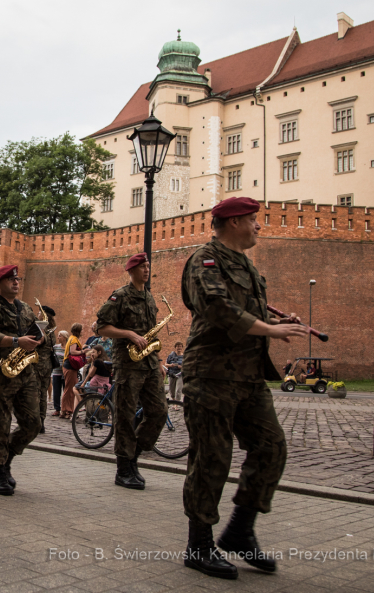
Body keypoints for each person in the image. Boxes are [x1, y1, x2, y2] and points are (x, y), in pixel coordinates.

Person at [179, 196, 308, 579]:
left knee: (271, 447)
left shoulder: (247, 266)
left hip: (249, 377)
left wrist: (276, 323)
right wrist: (269, 329)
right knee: (211, 458)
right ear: (234, 222)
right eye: (253, 219)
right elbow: (216, 307)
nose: (258, 225)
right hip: (211, 375)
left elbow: (248, 312)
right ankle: (199, 546)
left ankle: (239, 531)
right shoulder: (205, 260)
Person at [96, 253, 168, 492]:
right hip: (127, 364)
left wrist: (159, 361)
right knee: (125, 416)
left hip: (150, 363)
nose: (146, 270)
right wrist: (128, 334)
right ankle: (123, 469)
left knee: (159, 411)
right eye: (142, 266)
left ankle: (133, 454)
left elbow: (151, 332)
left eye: (148, 266)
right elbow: (101, 327)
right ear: (131, 270)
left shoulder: (149, 297)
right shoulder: (119, 296)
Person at [0, 264, 42, 496]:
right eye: (10, 280)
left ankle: (7, 458)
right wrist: (16, 341)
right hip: (0, 372)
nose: (16, 282)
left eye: (17, 279)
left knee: (33, 423)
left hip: (24, 371)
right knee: (0, 424)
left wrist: (40, 338)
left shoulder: (25, 308)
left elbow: (36, 332)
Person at [33, 305, 56, 434]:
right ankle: (41, 421)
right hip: (48, 366)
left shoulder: (42, 330)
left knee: (36, 393)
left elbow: (38, 342)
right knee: (43, 394)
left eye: (39, 313)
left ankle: (36, 422)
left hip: (38, 365)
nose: (38, 315)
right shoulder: (52, 331)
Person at [60, 323, 85, 418]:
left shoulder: (71, 338)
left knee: (71, 388)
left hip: (69, 366)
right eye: (81, 330)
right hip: (70, 366)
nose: (83, 331)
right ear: (78, 330)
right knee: (69, 389)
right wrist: (83, 351)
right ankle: (66, 410)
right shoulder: (74, 339)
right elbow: (73, 352)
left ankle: (66, 410)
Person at [51, 331, 66, 417]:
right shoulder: (55, 347)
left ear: (64, 337)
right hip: (56, 372)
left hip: (65, 373)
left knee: (65, 391)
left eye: (60, 336)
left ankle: (64, 409)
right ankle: (57, 409)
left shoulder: (69, 347)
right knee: (56, 391)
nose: (58, 337)